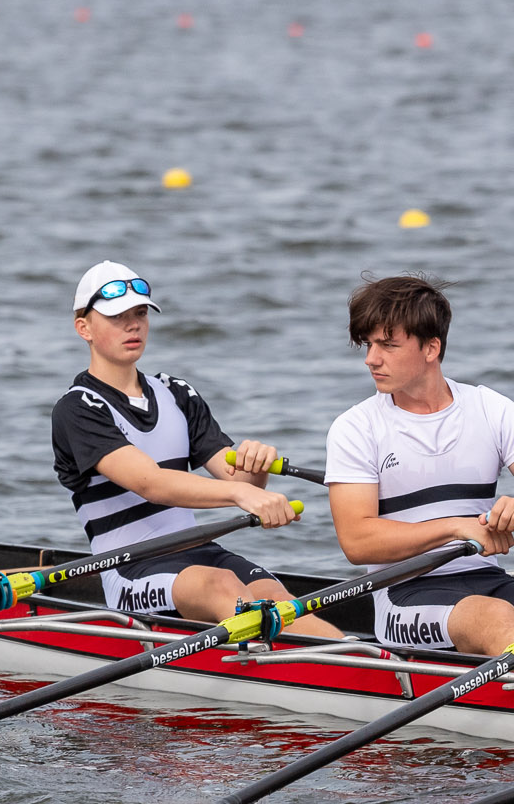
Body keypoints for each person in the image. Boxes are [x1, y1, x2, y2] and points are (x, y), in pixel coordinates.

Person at [325, 276, 514, 666]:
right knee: (493, 618)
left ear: (431, 348)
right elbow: (357, 542)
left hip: (487, 579)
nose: (371, 358)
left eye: (387, 345)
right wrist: (454, 527)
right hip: (404, 593)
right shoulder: (356, 428)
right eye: (369, 345)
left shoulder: (489, 408)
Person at [50, 262, 335, 634]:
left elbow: (239, 478)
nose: (133, 324)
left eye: (140, 313)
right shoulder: (77, 409)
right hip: (130, 568)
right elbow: (151, 482)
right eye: (117, 316)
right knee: (222, 588)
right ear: (83, 328)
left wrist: (256, 466)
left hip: (201, 554)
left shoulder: (176, 393)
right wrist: (240, 493)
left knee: (281, 603)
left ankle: (377, 677)